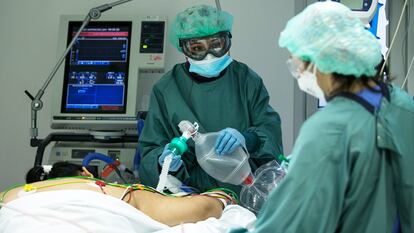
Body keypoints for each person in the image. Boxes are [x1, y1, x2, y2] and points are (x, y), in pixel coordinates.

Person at [231, 2, 414, 233]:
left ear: (323, 62)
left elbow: (293, 222)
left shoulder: (329, 128)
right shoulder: (403, 105)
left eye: (298, 63)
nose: (298, 73)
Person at [138, 4, 283, 195]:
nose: (208, 55)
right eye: (197, 47)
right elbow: (149, 150)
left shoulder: (246, 79)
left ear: (227, 41)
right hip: (192, 197)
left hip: (246, 192)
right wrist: (162, 161)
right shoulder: (166, 89)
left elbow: (269, 130)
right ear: (183, 48)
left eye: (216, 45)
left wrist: (247, 139)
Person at [1, 161, 236, 228]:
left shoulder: (10, 198)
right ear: (85, 173)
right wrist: (222, 199)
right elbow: (199, 210)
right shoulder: (108, 191)